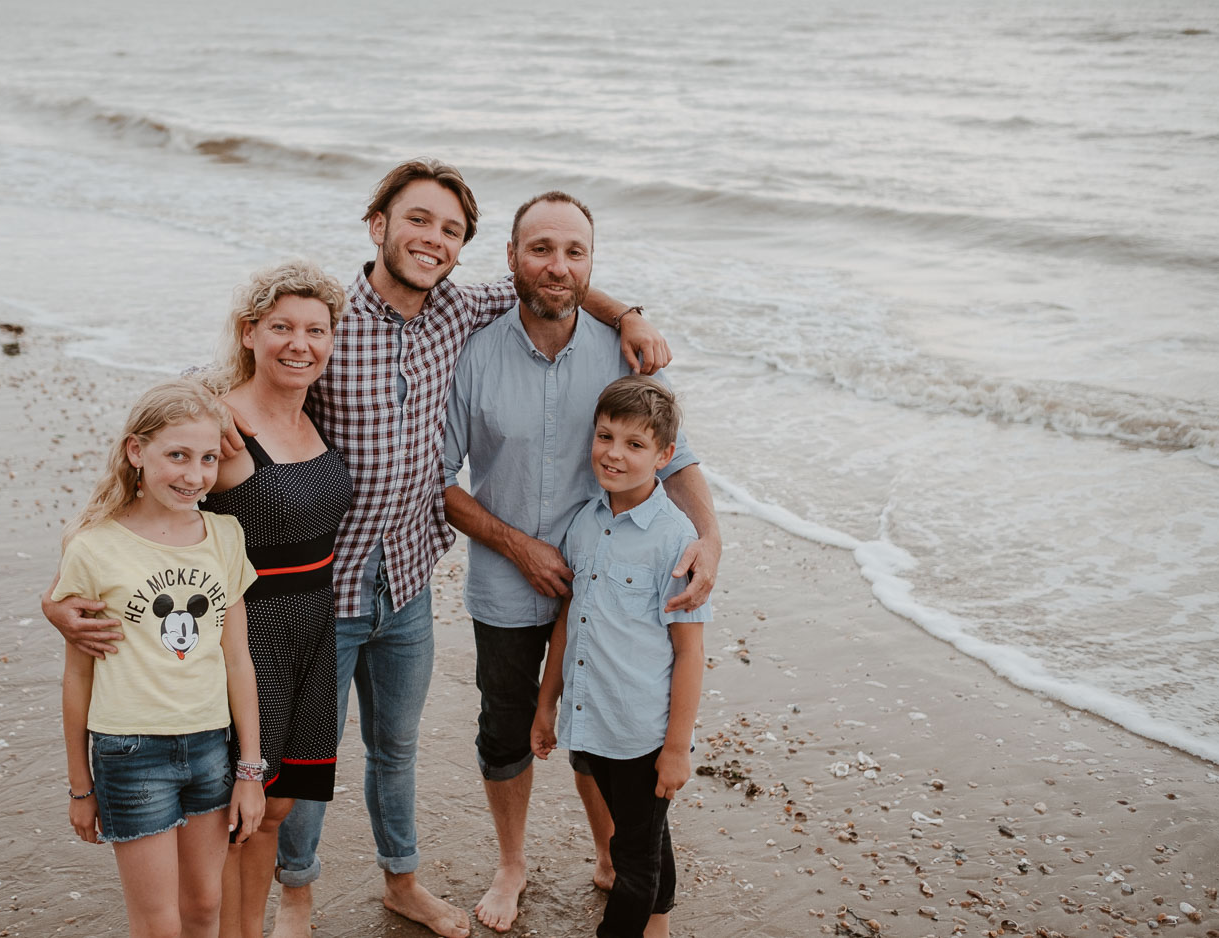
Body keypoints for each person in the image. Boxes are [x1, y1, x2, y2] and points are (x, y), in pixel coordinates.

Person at [51, 158, 671, 938]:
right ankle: (299, 895)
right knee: (296, 776)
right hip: (321, 590)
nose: (433, 239)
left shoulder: (460, 305)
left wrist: (632, 316)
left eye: (450, 230)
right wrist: (77, 577)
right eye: (418, 220)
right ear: (378, 225)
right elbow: (194, 409)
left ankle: (401, 883)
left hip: (407, 579)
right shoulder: (328, 324)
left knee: (396, 749)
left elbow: (551, 280)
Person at [441, 191, 720, 932]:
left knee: (601, 733)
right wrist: (518, 547)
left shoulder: (622, 354)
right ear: (510, 259)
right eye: (540, 249)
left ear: (591, 264)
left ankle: (614, 854)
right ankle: (512, 865)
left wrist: (712, 541)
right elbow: (437, 483)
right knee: (506, 731)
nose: (557, 266)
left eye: (574, 252)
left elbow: (679, 459)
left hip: (609, 587)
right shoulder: (474, 354)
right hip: (504, 584)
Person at [57, 378, 266, 938]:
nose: (193, 475)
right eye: (176, 455)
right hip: (131, 752)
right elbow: (77, 676)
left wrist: (250, 768)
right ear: (136, 452)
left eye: (204, 459)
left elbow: (237, 658)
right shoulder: (94, 546)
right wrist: (81, 787)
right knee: (158, 923)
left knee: (203, 909)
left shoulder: (224, 535)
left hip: (209, 749)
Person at [200, 262, 353, 938]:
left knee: (282, 803)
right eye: (282, 327)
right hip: (252, 634)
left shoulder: (313, 412)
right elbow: (127, 501)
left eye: (316, 330)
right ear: (249, 333)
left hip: (316, 632)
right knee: (241, 809)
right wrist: (67, 595)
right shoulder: (221, 423)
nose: (300, 343)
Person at [531, 376, 709, 938]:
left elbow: (689, 653)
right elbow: (570, 618)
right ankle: (660, 923)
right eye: (605, 436)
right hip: (592, 717)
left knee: (633, 860)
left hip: (641, 729)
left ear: (664, 455)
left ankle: (639, 922)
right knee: (645, 834)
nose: (614, 453)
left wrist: (677, 749)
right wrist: (546, 704)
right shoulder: (586, 522)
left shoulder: (674, 540)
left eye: (635, 445)